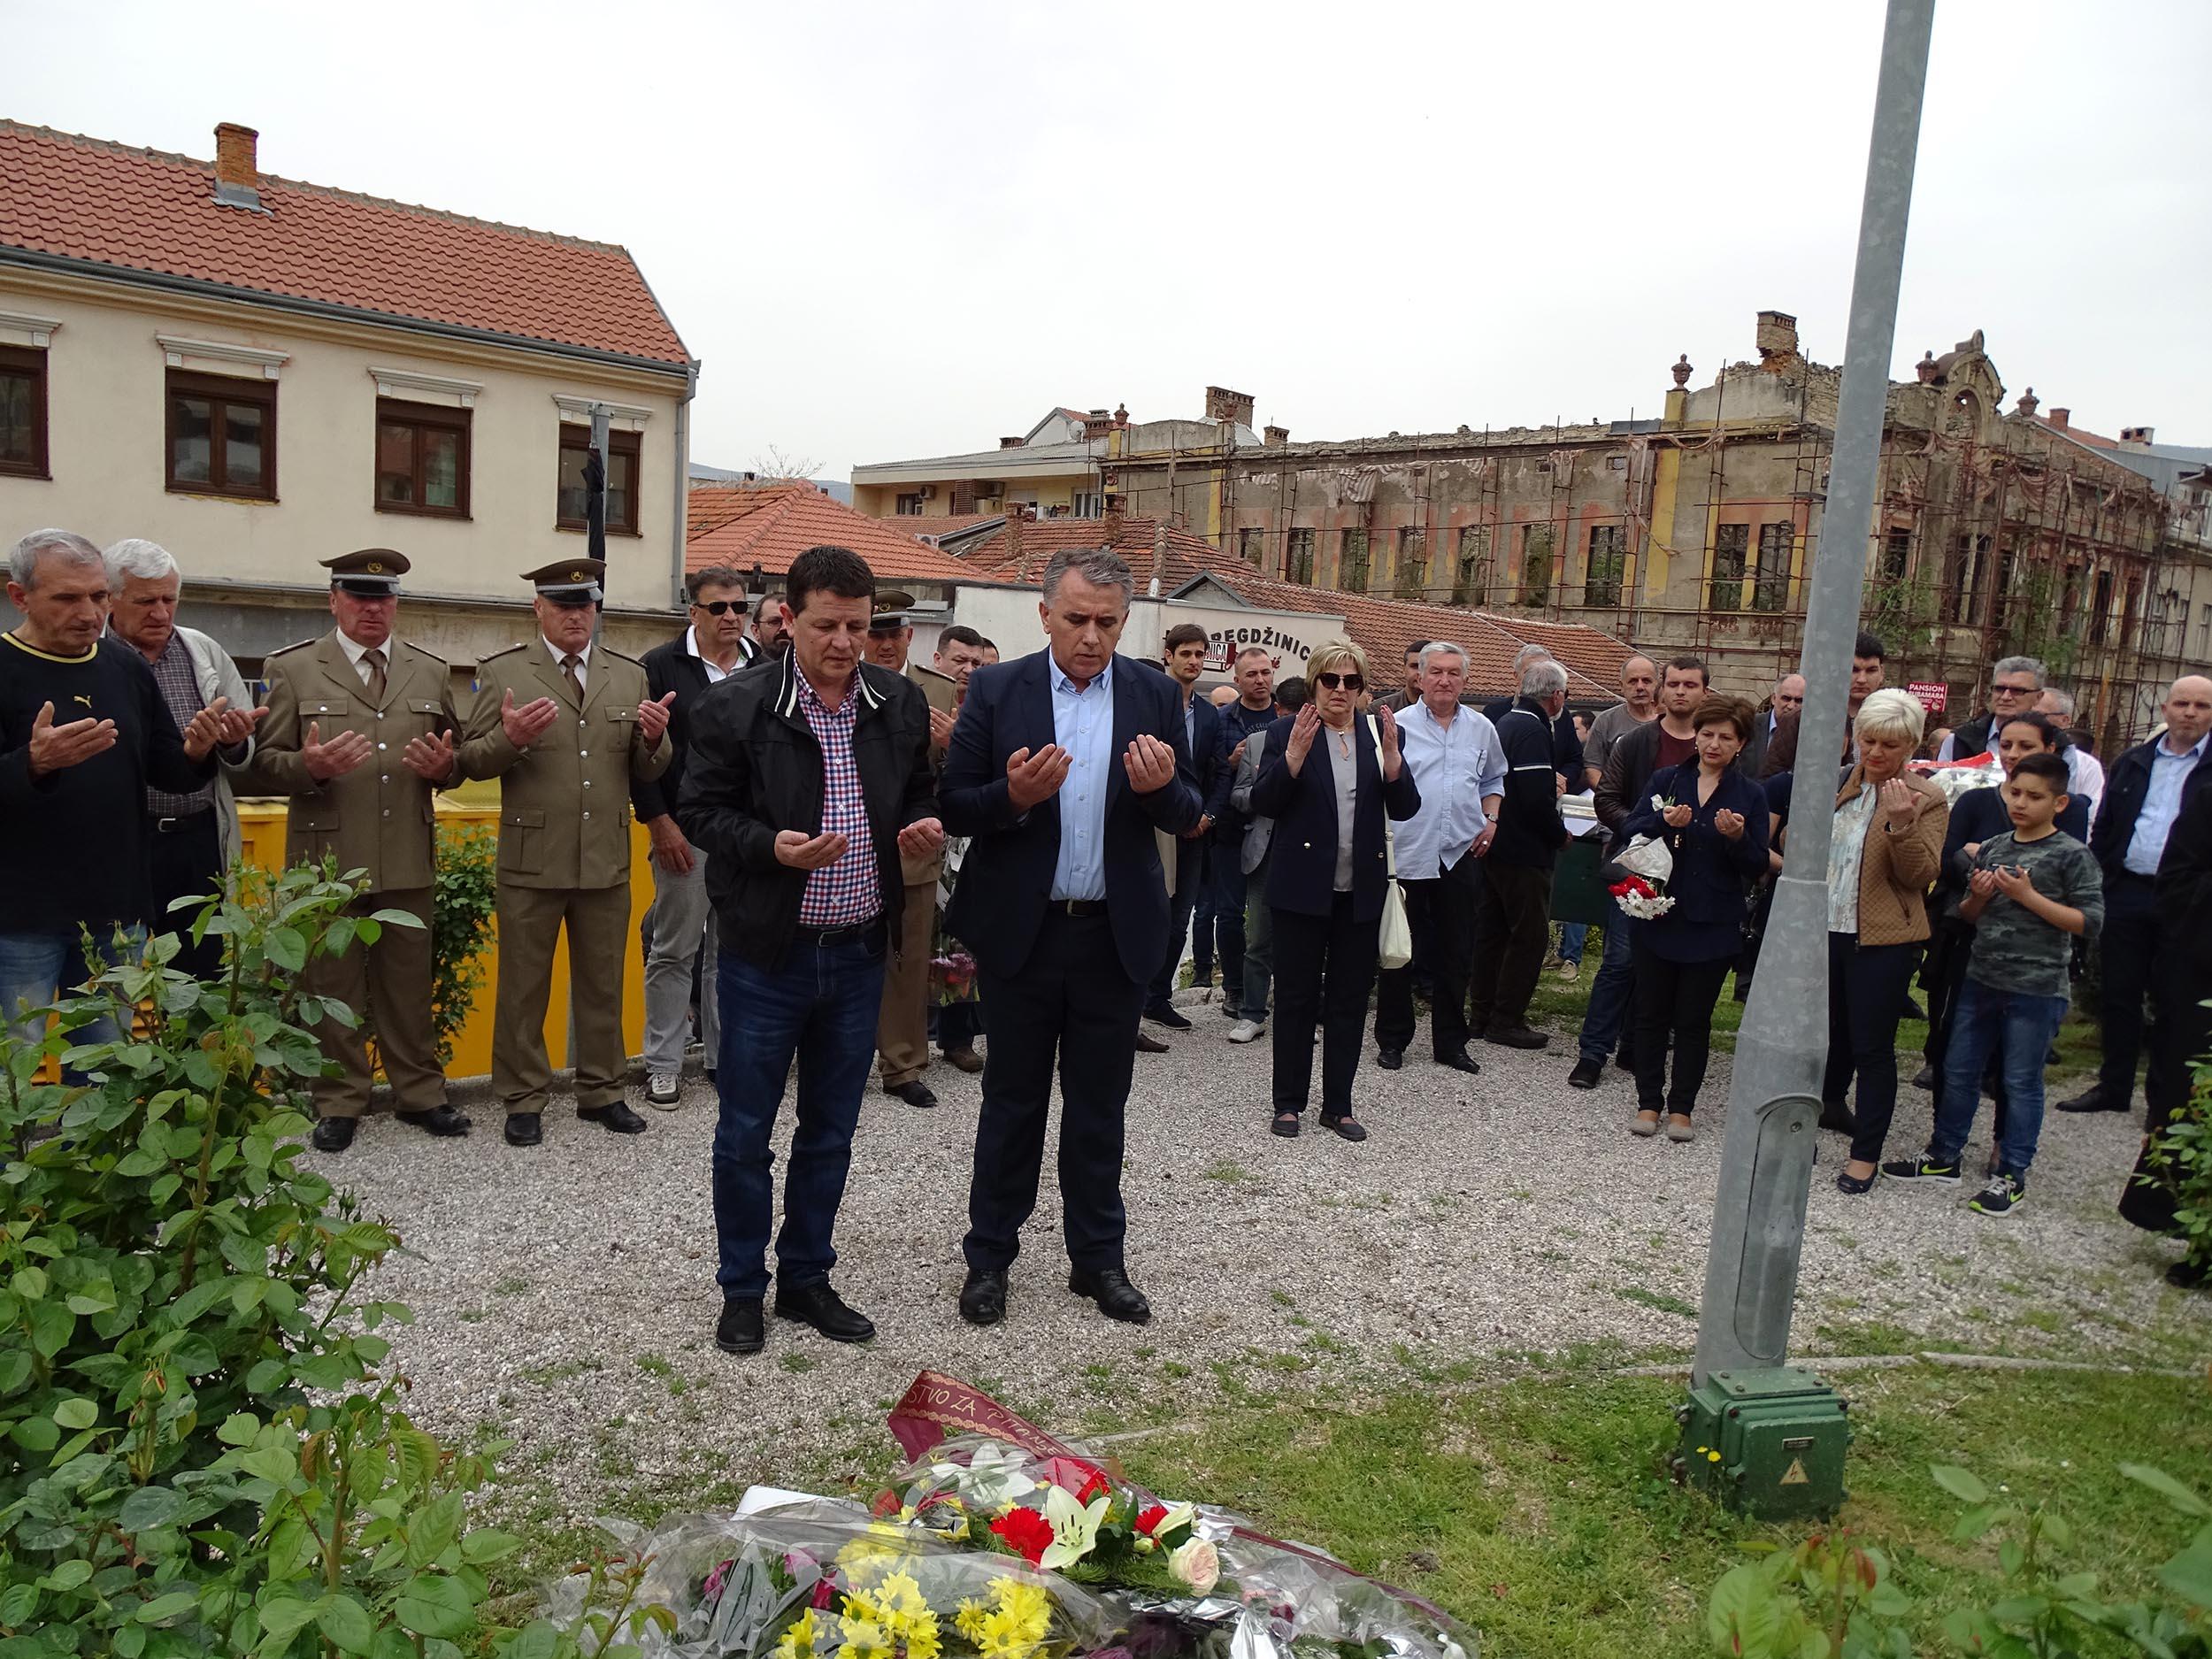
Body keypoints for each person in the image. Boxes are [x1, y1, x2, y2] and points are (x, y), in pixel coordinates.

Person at [675, 544, 941, 1356]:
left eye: (859, 627)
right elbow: (698, 811)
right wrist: (770, 847)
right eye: (827, 625)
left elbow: (918, 788)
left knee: (831, 1129)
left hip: (859, 951)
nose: (845, 642)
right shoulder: (739, 706)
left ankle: (807, 1277)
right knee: (745, 1130)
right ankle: (742, 1289)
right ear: (789, 618)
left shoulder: (897, 701)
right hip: (768, 955)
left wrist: (923, 823)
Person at [938, 547, 1199, 1329]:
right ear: (1044, 613)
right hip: (1025, 932)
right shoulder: (995, 687)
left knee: (1099, 1107)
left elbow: (1188, 810)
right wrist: (1011, 796)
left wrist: (1160, 791)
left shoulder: (1154, 691)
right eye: (1078, 618)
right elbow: (954, 804)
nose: (1092, 635)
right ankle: (989, 1258)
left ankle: (1098, 1260)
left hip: (1112, 935)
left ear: (1124, 622)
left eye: (1108, 622)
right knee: (1011, 1102)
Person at [244, 548, 477, 1152]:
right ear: (334, 600)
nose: (372, 608)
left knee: (406, 983)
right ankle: (340, 1099)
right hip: (326, 860)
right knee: (331, 983)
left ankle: (420, 1094)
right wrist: (308, 767)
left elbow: (451, 757)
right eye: (359, 596)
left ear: (397, 603)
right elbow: (262, 764)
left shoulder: (428, 671)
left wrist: (446, 767)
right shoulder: (291, 668)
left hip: (405, 852)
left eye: (384, 598)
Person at [461, 558, 674, 1148]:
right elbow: (469, 762)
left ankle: (602, 1090)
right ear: (539, 609)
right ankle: (524, 1097)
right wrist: (511, 738)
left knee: (604, 981)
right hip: (532, 857)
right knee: (524, 985)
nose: (576, 615)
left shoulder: (627, 675)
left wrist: (656, 738)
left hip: (603, 854)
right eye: (562, 604)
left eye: (585, 605)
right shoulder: (505, 672)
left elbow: (645, 767)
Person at [2, 528, 242, 1049]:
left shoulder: (125, 667)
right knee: (12, 1076)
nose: (89, 612)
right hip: (19, 919)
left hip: (115, 914)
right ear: (19, 596)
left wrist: (196, 750)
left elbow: (165, 772)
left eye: (98, 596)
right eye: (68, 597)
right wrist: (33, 763)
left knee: (111, 1072)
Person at [1884, 751, 2100, 1216]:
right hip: (1981, 979)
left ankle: (2012, 1172)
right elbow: (1965, 914)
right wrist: (1977, 900)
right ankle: (1945, 1155)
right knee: (1958, 1070)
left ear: (2059, 803)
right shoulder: (1997, 846)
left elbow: (2089, 923)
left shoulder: (2072, 855)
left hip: (2036, 989)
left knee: (2020, 1082)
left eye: (2034, 797)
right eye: (2014, 793)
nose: (2021, 803)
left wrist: (2028, 896)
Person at [1250, 640, 1419, 1139]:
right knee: (1297, 998)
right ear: (1314, 683)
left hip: (1361, 889)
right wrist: (1294, 759)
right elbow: (1264, 802)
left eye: (1351, 681)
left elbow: (1406, 806)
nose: (1340, 690)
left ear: (1363, 688)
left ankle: (1338, 1104)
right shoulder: (1286, 731)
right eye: (1330, 680)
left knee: (1349, 1000)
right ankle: (1288, 1103)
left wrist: (1392, 764)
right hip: (1301, 888)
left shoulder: (1381, 734)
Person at [1614, 695, 1770, 1140]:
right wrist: (1664, 821)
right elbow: (1630, 830)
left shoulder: (1750, 794)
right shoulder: (1668, 779)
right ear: (1696, 737)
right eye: (1707, 734)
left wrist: (1738, 838)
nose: (1714, 743)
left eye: (1725, 736)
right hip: (1657, 912)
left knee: (1693, 1019)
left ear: (1740, 743)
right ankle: (1648, 1102)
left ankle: (1682, 1107)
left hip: (1713, 921)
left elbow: (1758, 864)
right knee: (1650, 1013)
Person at [1916, 712, 2089, 1112]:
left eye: (2026, 746)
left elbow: (2063, 870)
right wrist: (1980, 868)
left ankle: (2005, 1148)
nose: (2012, 754)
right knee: (1957, 1036)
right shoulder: (1977, 797)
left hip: (2034, 945)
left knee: (2018, 1064)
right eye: (2006, 745)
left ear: (2050, 750)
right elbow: (1948, 854)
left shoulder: (2070, 806)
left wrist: (1994, 862)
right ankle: (1946, 1137)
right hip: (1971, 930)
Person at [102, 537, 257, 978]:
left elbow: (244, 755)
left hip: (197, 842)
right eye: (146, 601)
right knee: (115, 979)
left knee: (200, 980)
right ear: (111, 598)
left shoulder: (202, 650)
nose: (161, 613)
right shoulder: (92, 657)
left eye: (170, 599)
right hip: (123, 843)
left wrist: (233, 741)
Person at [2060, 674, 2212, 1116]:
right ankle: (2113, 1087)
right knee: (2119, 994)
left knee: (2176, 999)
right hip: (2128, 890)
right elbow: (2106, 823)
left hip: (2188, 901)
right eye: (2182, 703)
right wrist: (2104, 879)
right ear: (2165, 710)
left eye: (2201, 706)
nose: (2190, 713)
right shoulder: (2136, 760)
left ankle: (2167, 1101)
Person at [633, 566, 756, 1111]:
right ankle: (662, 1064)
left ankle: (723, 1058)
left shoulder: (767, 666)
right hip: (684, 830)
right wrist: (659, 822)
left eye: (739, 607)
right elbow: (637, 755)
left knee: (730, 952)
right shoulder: (660, 666)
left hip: (746, 832)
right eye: (719, 607)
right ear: (694, 611)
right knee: (674, 950)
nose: (731, 617)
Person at [1827, 688, 1949, 1193]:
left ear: (1912, 746)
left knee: (1872, 1047)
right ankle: (1820, 1111)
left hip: (1883, 940)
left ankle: (1865, 1155)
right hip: (1824, 930)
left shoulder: (1927, 797)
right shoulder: (1837, 783)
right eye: (1870, 740)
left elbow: (1920, 874)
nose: (1877, 753)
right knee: (1824, 1039)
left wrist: (1901, 824)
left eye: (1891, 745)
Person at [1572, 656, 1710, 1087]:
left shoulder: (1715, 745)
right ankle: (1593, 1052)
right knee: (1619, 961)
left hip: (1693, 872)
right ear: (1661, 691)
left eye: (1691, 685)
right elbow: (1606, 797)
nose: (1681, 692)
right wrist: (1642, 829)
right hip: (1637, 864)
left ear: (1705, 691)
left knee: (1668, 965)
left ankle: (1637, 1046)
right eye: (1674, 684)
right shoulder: (1635, 742)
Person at [1372, 642, 1503, 1076]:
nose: (1444, 680)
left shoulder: (1482, 727)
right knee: (1399, 951)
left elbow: (1493, 777)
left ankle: (1451, 1042)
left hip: (1460, 852)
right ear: (1420, 677)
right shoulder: (1398, 726)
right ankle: (1392, 1040)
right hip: (1409, 852)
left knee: (1456, 952)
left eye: (1453, 673)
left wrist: (1491, 819)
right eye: (1436, 672)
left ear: (1465, 680)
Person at [862, 591, 961, 1109]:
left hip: (912, 839)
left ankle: (902, 1065)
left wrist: (952, 742)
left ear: (908, 636)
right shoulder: (840, 681)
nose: (881, 644)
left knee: (908, 957)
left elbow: (952, 774)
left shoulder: (938, 690)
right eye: (872, 634)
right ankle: (842, 1056)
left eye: (889, 634)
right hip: (850, 842)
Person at [2119, 780, 2212, 1286]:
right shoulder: (2207, 799)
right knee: (2194, 1099)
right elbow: (2179, 882)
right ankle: (2200, 1238)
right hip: (2203, 976)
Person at [1467, 657, 1570, 1048]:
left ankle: (1481, 1013)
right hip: (1524, 849)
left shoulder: (1506, 722)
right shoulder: (1532, 729)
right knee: (1528, 936)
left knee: (1491, 932)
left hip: (1495, 843)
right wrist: (1559, 834)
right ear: (1557, 697)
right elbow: (1533, 796)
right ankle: (1506, 1018)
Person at [1144, 623, 1226, 1032]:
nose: (1193, 661)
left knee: (1179, 919)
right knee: (1144, 914)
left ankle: (1157, 998)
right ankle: (1130, 998)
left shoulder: (1210, 714)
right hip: (1150, 827)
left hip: (1194, 830)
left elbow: (1220, 773)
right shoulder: (1148, 703)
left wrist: (1206, 816)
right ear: (1169, 655)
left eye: (1199, 654)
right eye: (1186, 654)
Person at [1226, 672, 1304, 1045]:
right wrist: (1262, 794)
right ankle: (1252, 1012)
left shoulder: (1328, 742)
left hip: (1309, 854)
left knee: (1303, 943)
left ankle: (1298, 1013)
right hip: (1265, 852)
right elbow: (1237, 796)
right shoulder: (1257, 743)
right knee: (1257, 936)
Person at [930, 626, 991, 1072]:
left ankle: (958, 1036)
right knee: (919, 942)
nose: (969, 672)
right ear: (938, 661)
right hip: (927, 837)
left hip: (979, 840)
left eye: (978, 665)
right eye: (961, 662)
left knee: (965, 941)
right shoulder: (923, 703)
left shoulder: (995, 709)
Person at [1210, 646, 1279, 1027]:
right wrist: (1231, 763)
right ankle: (1235, 987)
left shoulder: (1285, 715)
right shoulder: (1221, 719)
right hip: (1232, 829)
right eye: (1251, 674)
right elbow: (1209, 769)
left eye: (1265, 673)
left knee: (1274, 918)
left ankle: (1268, 992)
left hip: (1271, 833)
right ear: (1237, 680)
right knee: (1230, 914)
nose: (1260, 680)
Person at [1485, 644, 1583, 790]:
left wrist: (1562, 779)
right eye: (1531, 672)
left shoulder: (1563, 716)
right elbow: (1490, 762)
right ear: (1516, 677)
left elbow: (1574, 758)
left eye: (1544, 672)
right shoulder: (1495, 713)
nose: (1538, 679)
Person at [1937, 656, 2045, 763]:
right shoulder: (1959, 740)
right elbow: (1941, 779)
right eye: (1999, 689)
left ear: (2038, 697)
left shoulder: (2058, 744)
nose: (2005, 697)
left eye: (2017, 691)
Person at [1581, 655, 1657, 792]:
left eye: (1646, 681)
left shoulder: (1671, 721)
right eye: (1632, 681)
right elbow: (1592, 769)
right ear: (1622, 686)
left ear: (1657, 684)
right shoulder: (1605, 721)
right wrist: (1611, 799)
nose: (1640, 687)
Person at [2036, 687, 2105, 818]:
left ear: (2065, 720)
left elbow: (2090, 814)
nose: (2031, 721)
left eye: (2039, 716)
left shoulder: (2088, 766)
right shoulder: (2008, 752)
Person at [1743, 672, 1803, 779]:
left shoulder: (1809, 735)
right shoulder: (1748, 726)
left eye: (1799, 701)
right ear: (1774, 699)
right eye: (1786, 698)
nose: (1791, 706)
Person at [1378, 641, 1427, 714]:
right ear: (1403, 670)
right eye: (1414, 666)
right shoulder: (1379, 710)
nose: (1420, 672)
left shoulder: (1448, 712)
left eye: (1426, 667)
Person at [750, 593, 792, 658]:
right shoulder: (741, 667)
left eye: (790, 621)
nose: (785, 628)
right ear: (756, 631)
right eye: (775, 622)